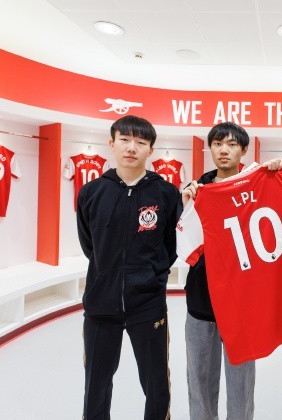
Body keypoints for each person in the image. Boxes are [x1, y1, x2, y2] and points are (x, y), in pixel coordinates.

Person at [76, 115, 181, 420]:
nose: (131, 147)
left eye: (140, 142)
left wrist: (152, 275)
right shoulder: (91, 192)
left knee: (156, 385)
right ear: (111, 144)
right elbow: (89, 244)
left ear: (151, 149)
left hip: (148, 304)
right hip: (100, 303)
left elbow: (171, 245)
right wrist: (107, 273)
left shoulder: (166, 193)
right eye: (124, 139)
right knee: (96, 384)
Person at [181, 122, 255, 420]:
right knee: (199, 381)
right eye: (217, 144)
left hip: (242, 300)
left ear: (244, 150)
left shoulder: (255, 187)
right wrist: (187, 206)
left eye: (232, 144)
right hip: (202, 299)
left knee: (241, 384)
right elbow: (184, 244)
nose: (224, 150)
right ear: (209, 148)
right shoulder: (196, 192)